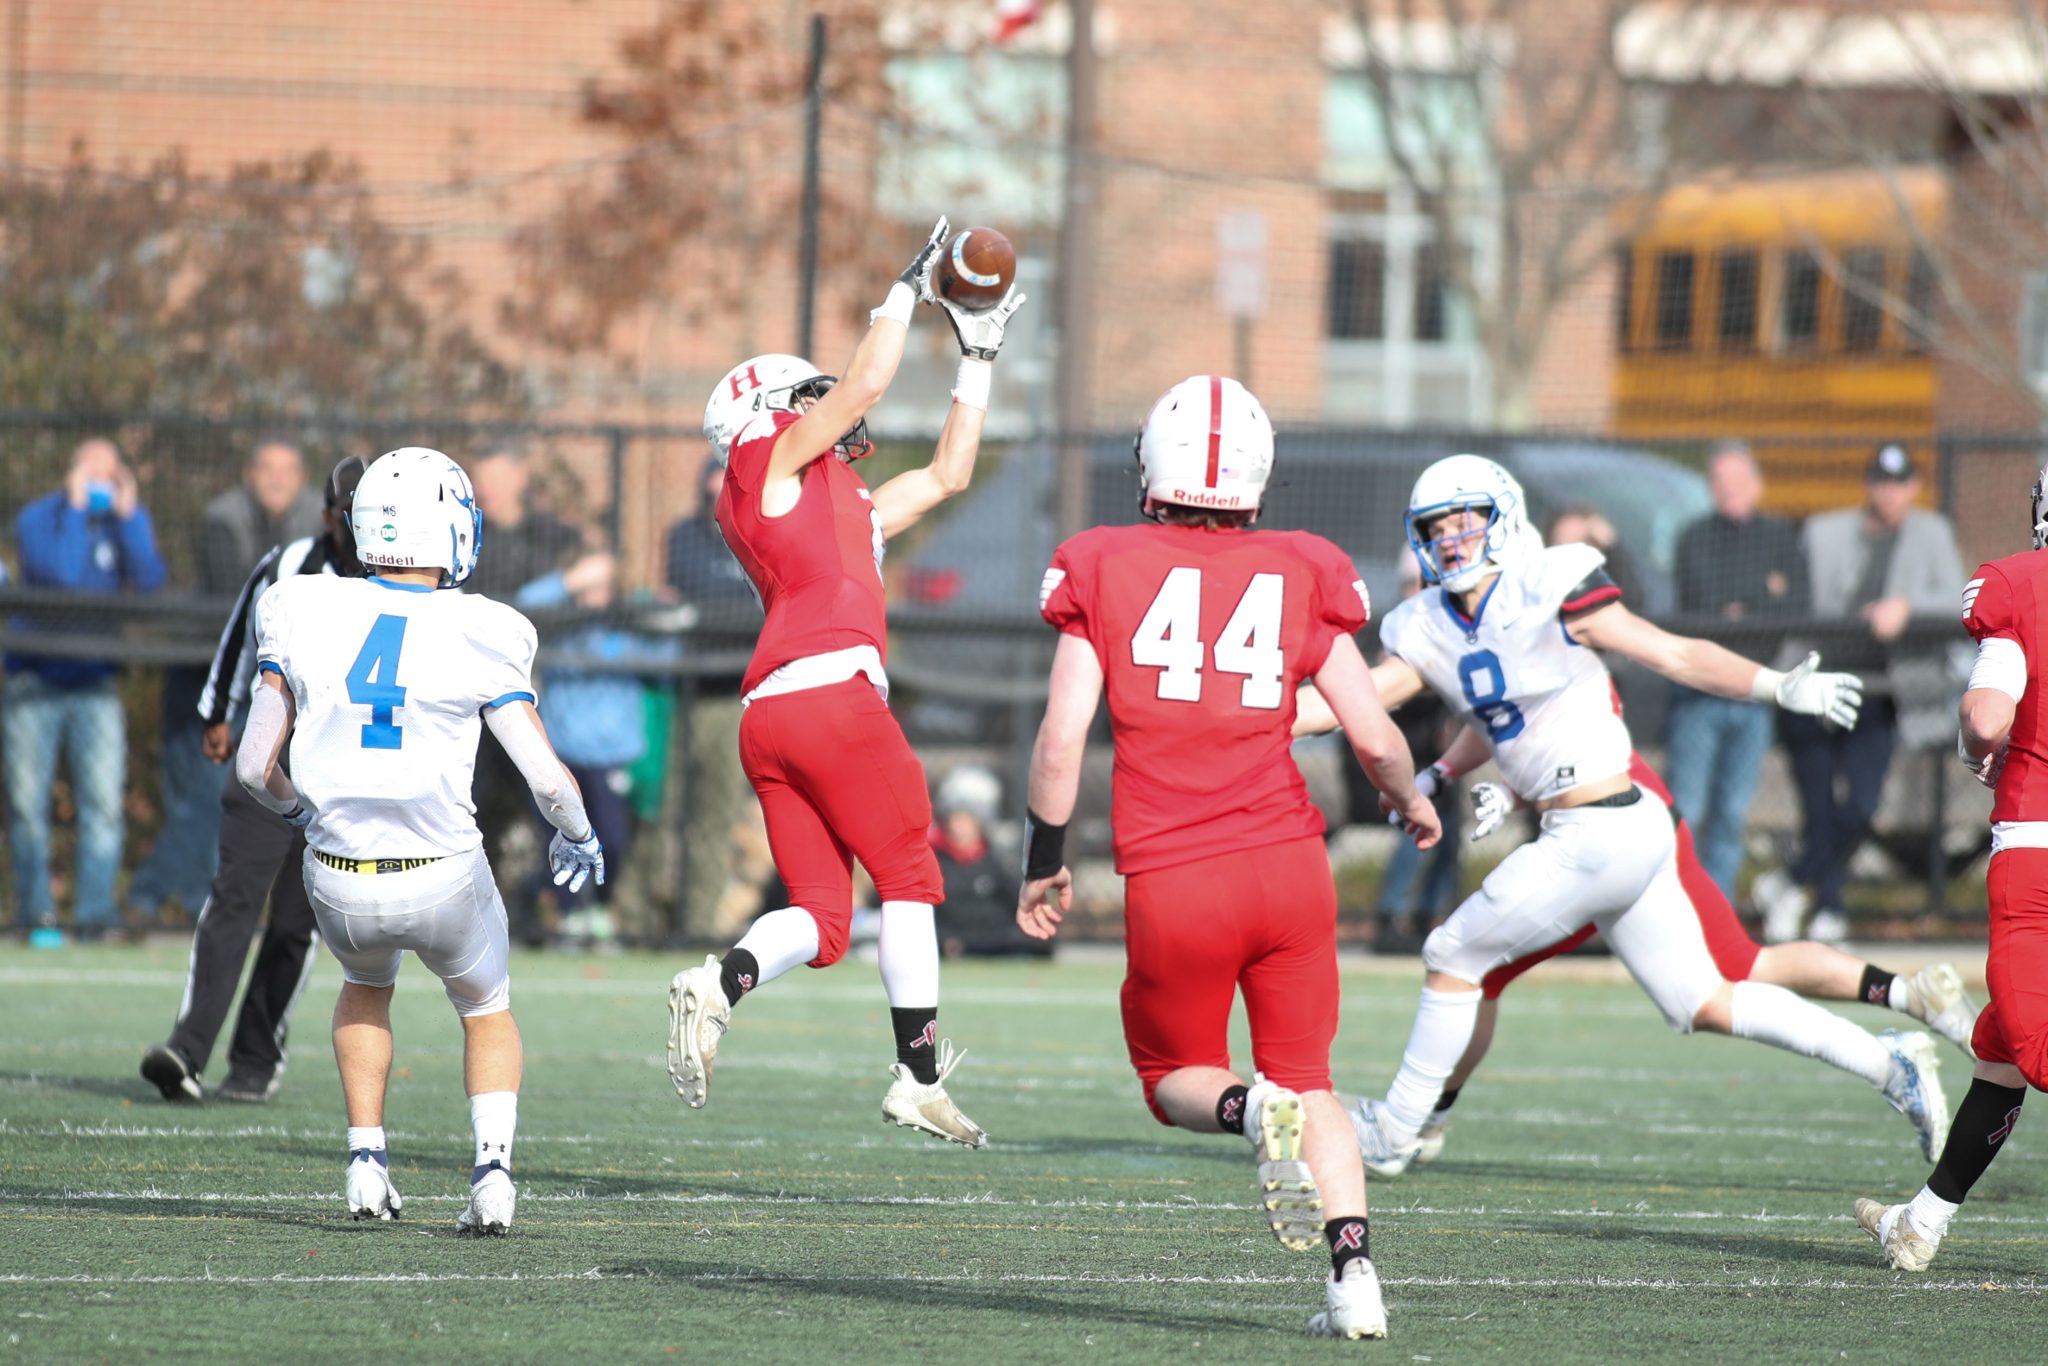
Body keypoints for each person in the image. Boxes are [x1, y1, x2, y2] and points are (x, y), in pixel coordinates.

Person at [1306, 455, 1947, 1178]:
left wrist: (1775, 686)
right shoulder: (1431, 624)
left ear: (1504, 517)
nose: (1452, 540)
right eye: (1436, 528)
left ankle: (1395, 1131)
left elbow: (1672, 652)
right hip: (1610, 828)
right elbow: (1363, 696)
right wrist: (1258, 712)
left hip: (1598, 827)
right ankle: (1890, 1065)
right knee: (1702, 999)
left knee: (1453, 955)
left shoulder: (1550, 582)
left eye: (1466, 521)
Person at [1019, 375, 1438, 1340]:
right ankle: (1355, 1280)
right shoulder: (1301, 565)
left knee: (1175, 1076)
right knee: (1315, 1079)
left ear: (1150, 466)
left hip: (1178, 874)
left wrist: (1046, 857)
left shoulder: (1102, 561)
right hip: (1290, 865)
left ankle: (1254, 1117)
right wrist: (1409, 799)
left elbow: (1058, 741)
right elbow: (1370, 731)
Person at [664, 216, 1023, 1148]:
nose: (839, 409)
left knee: (825, 922)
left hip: (774, 712)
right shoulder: (763, 464)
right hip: (828, 693)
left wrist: (976, 353)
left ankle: (721, 982)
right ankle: (916, 1073)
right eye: (809, 400)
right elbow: (865, 377)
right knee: (910, 872)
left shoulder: (832, 501)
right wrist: (902, 292)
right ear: (773, 410)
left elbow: (946, 476)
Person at [236, 447, 604, 1234]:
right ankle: (493, 1179)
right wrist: (578, 833)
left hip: (336, 877)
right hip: (442, 875)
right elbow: (545, 780)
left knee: (364, 987)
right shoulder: (484, 625)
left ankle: (367, 1164)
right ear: (449, 529)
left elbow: (248, 765)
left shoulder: (299, 605)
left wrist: (302, 816)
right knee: (485, 1005)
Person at [1369, 739, 1979, 1169]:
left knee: (1466, 965)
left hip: (1606, 831)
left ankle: (1418, 1121)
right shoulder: (1497, 629)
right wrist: (1458, 775)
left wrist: (1480, 782)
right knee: (1717, 989)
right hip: (1622, 822)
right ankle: (1896, 1030)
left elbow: (1670, 657)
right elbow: (1512, 718)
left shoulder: (1537, 620)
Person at [1854, 470, 2048, 1271]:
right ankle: (1922, 1221)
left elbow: (1983, 712)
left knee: (2033, 1041)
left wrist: (1978, 750)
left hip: (2036, 850)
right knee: (2002, 1048)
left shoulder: (2017, 586)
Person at [140, 457, 367, 1104]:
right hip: (273, 755)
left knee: (301, 919)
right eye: (353, 519)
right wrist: (218, 710)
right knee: (235, 895)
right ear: (329, 518)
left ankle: (256, 1056)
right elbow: (243, 635)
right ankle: (187, 1049)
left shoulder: (399, 577)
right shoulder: (290, 562)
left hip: (347, 769)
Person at [1754, 442, 1965, 942]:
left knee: (1863, 806)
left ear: (1912, 487)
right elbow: (1798, 605)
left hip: (1879, 691)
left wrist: (1906, 608)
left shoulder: (1932, 534)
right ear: (1868, 485)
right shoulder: (1824, 532)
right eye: (1880, 482)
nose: (1889, 493)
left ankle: (1789, 881)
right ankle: (1827, 907)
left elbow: (1961, 596)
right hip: (1816, 681)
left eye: (1899, 483)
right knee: (1817, 806)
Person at [130, 439, 322, 931]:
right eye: (266, 468)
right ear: (249, 473)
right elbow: (249, 604)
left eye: (287, 468)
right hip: (216, 676)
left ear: (301, 477)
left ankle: (177, 896)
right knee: (205, 793)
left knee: (232, 794)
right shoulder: (223, 518)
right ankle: (165, 896)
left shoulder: (314, 524)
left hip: (278, 683)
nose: (276, 479)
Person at [5, 437, 167, 940]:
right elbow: (64, 577)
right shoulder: (40, 517)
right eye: (94, 471)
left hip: (96, 685)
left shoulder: (121, 524)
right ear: (73, 472)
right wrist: (76, 509)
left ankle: (95, 916)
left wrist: (132, 515)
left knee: (102, 806)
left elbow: (150, 582)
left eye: (112, 472)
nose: (104, 481)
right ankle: (38, 915)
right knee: (29, 807)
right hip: (35, 682)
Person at [1666, 442, 1808, 898]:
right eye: (1721, 482)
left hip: (1754, 693)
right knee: (1685, 808)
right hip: (1699, 697)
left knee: (1731, 813)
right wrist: (1761, 596)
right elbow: (1701, 605)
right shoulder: (1695, 538)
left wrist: (1745, 609)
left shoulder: (1779, 537)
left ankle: (1716, 910)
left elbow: (1795, 605)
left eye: (1738, 481)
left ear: (1757, 485)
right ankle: (1675, 904)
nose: (1730, 491)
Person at [514, 551, 678, 948]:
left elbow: (668, 661)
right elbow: (523, 605)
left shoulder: (627, 632)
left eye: (600, 586)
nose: (593, 594)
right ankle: (568, 916)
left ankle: (599, 908)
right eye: (587, 586)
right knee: (561, 839)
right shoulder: (558, 626)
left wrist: (664, 613)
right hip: (562, 755)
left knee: (614, 841)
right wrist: (571, 580)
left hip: (612, 757)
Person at [664, 453, 762, 940]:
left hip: (735, 696)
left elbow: (754, 604)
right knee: (664, 808)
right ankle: (644, 918)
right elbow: (691, 590)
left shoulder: (755, 532)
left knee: (717, 816)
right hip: (685, 693)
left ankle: (699, 923)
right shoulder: (685, 534)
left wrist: (711, 613)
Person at [927, 765, 1046, 958]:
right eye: (955, 818)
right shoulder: (935, 860)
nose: (959, 827)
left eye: (967, 819)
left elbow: (1017, 904)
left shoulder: (996, 862)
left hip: (996, 945)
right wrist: (945, 938)